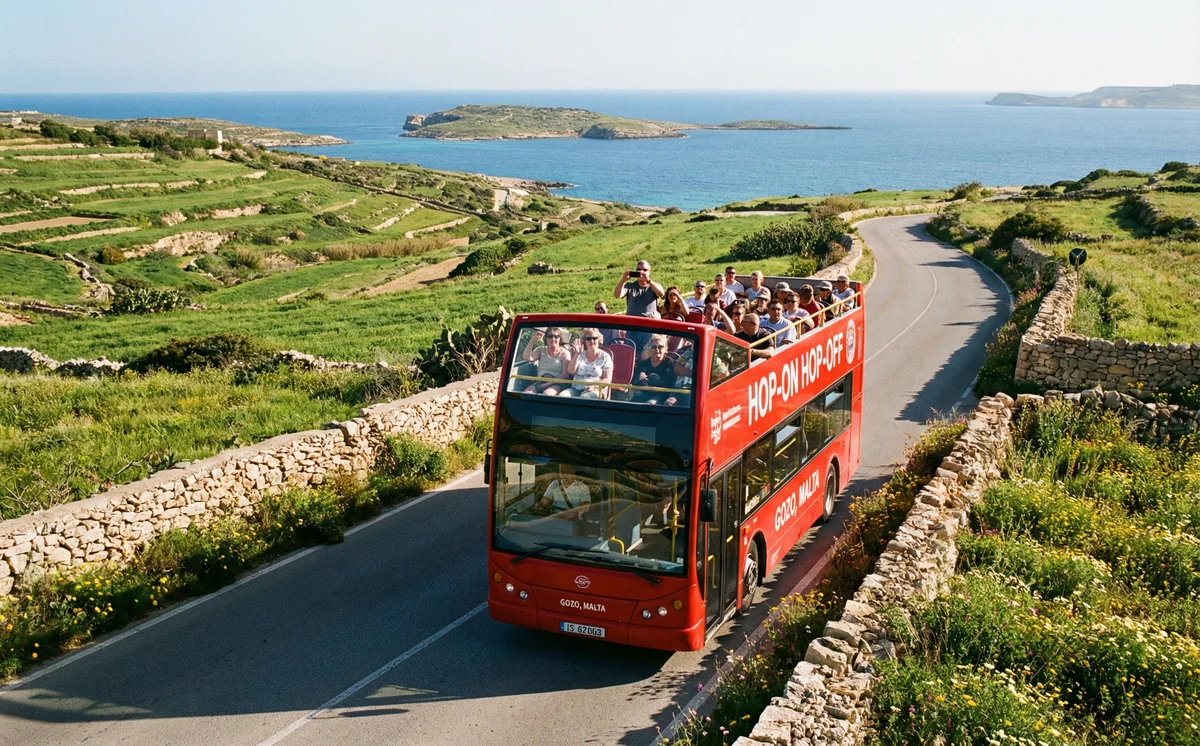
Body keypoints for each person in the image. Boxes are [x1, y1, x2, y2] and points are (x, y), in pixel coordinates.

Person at [520, 327, 573, 395]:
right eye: (550, 336)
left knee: (546, 394)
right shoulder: (541, 350)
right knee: (527, 393)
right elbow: (526, 357)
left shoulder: (565, 353)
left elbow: (565, 375)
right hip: (540, 381)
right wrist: (533, 340)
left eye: (556, 336)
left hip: (557, 383)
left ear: (560, 339)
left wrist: (547, 384)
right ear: (546, 338)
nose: (553, 339)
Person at [562, 328, 613, 398]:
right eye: (588, 338)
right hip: (576, 388)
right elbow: (570, 371)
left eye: (594, 338)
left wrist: (594, 387)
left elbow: (608, 379)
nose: (592, 341)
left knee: (584, 398)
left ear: (599, 340)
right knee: (562, 396)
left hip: (596, 390)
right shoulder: (580, 354)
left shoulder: (605, 357)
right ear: (585, 341)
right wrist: (577, 354)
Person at [632, 334, 677, 404]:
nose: (657, 349)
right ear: (650, 349)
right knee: (633, 400)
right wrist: (641, 380)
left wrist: (647, 381)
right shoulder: (643, 363)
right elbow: (635, 381)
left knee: (651, 403)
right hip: (644, 393)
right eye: (654, 347)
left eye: (660, 347)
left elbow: (667, 384)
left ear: (666, 349)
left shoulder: (670, 363)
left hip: (662, 395)